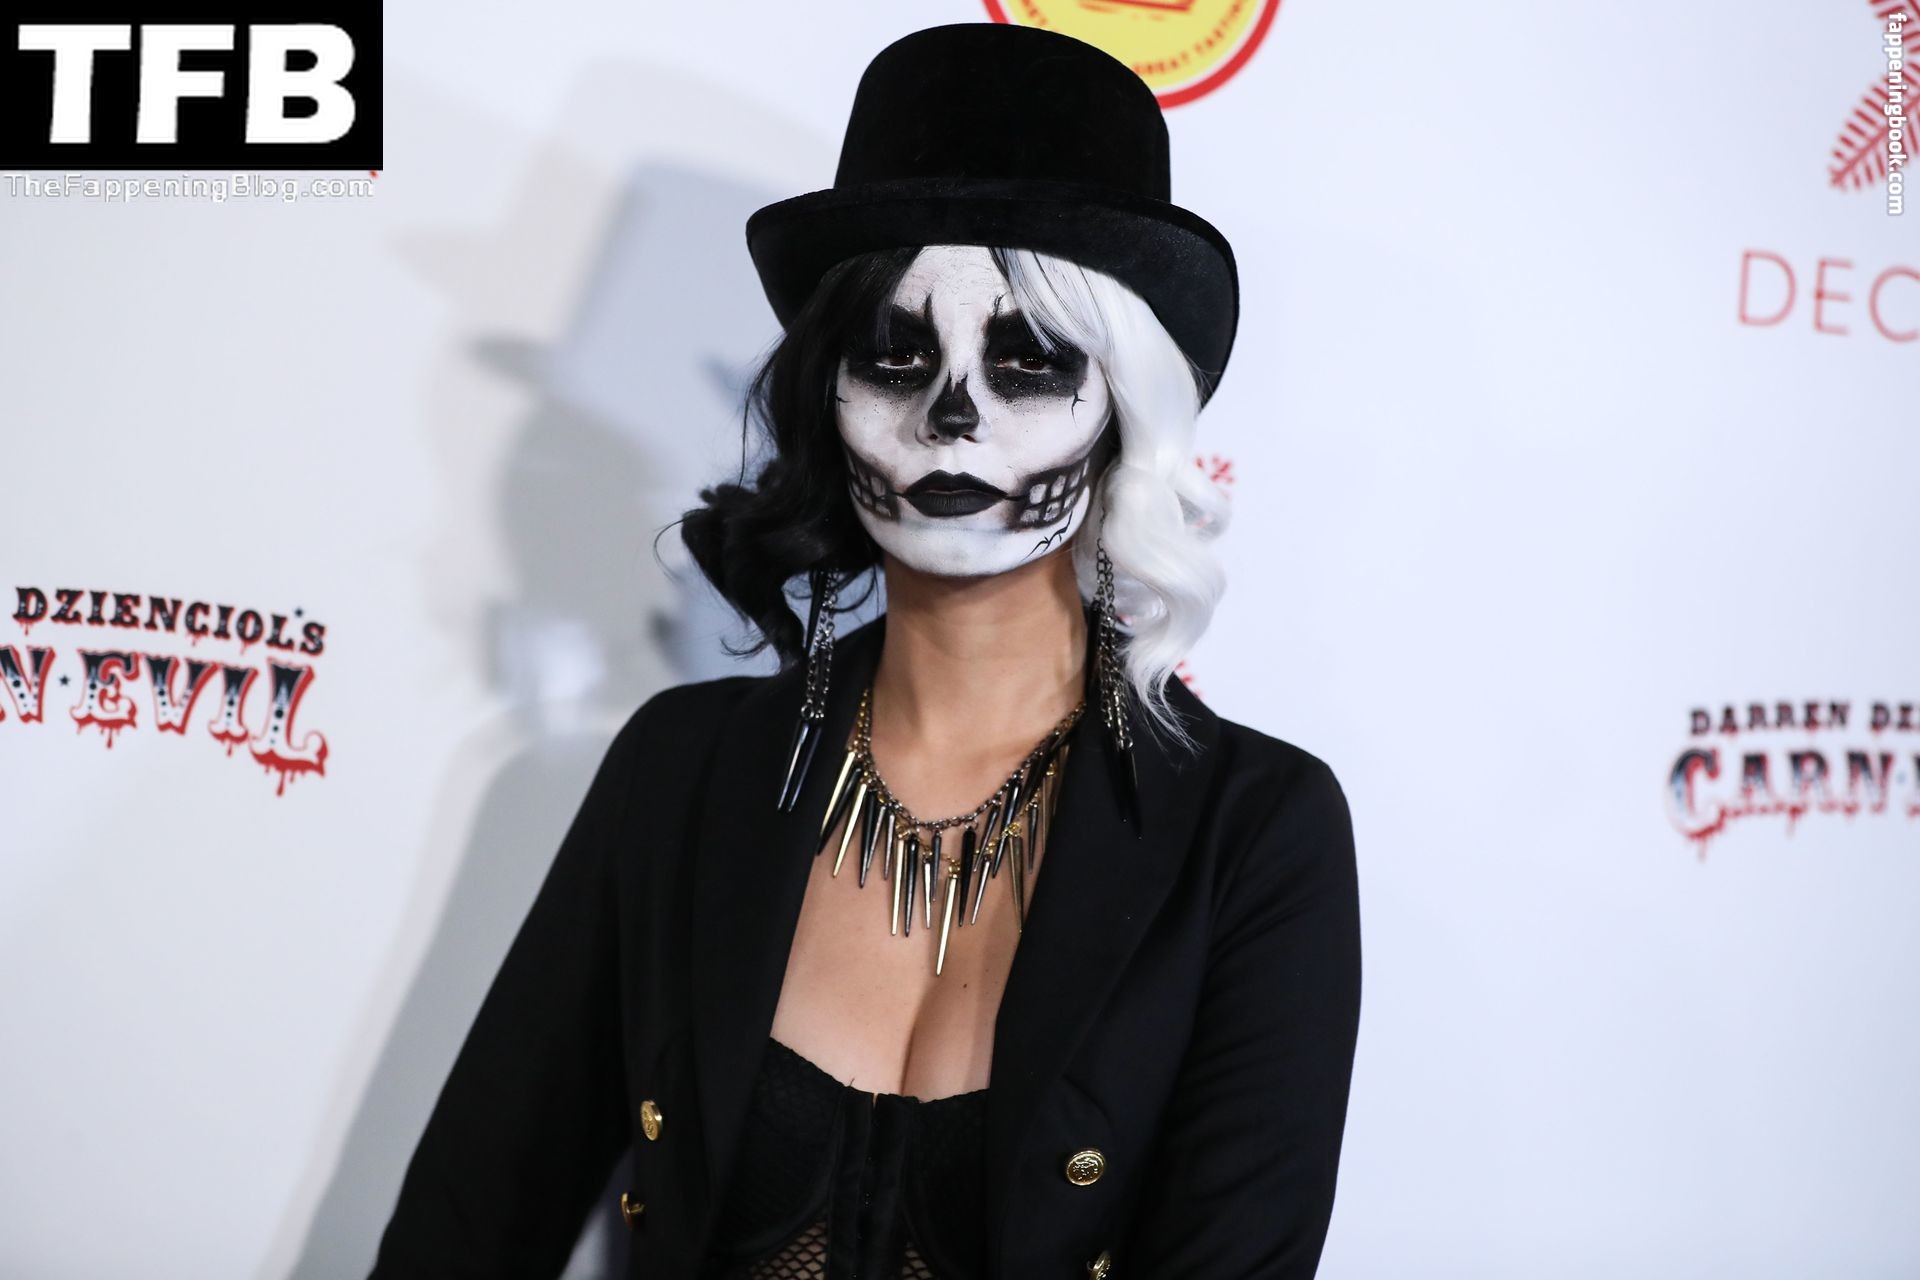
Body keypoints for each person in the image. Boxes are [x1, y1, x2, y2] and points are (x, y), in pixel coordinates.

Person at [370, 22, 1361, 1280]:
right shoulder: (681, 772)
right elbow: (463, 1228)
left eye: (1028, 359)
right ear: (826, 393)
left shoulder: (1254, 833)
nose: (953, 415)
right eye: (896, 352)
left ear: (1125, 409)